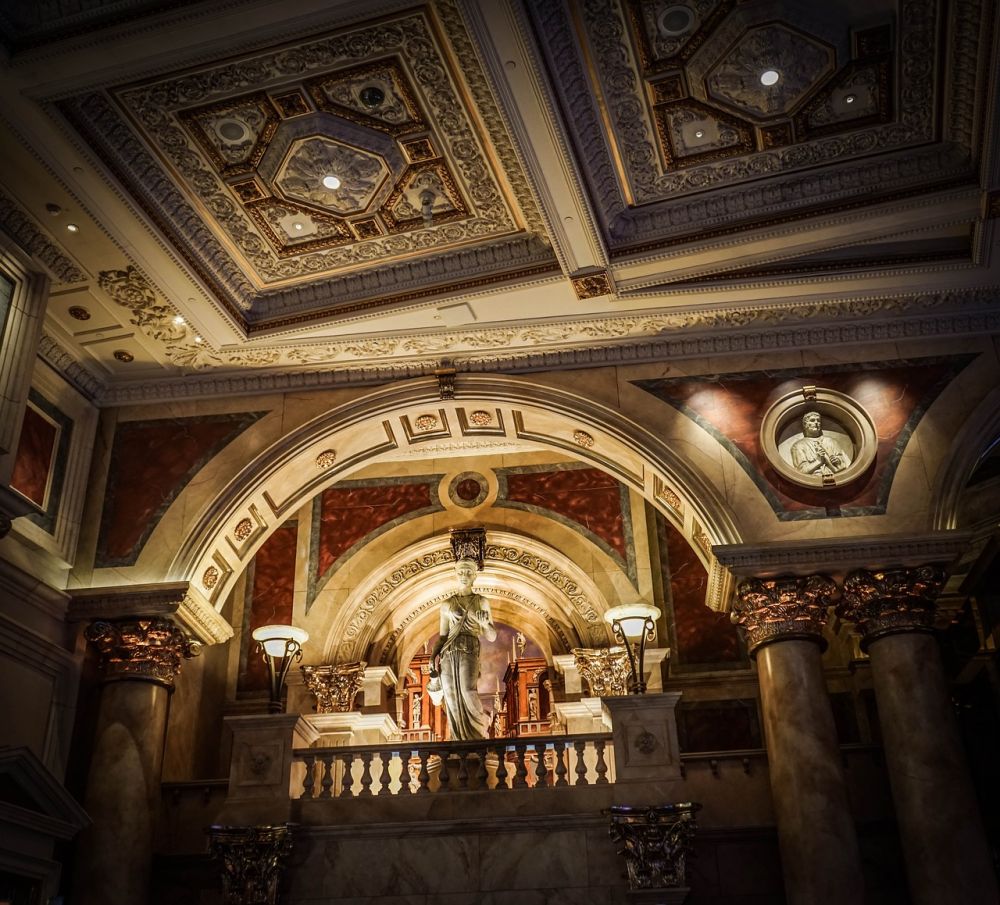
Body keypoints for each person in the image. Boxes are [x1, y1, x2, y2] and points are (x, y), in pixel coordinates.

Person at [430, 557, 496, 740]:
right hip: (449, 651)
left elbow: (491, 636)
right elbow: (443, 636)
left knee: (467, 691)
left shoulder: (481, 601)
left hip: (469, 648)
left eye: (468, 572)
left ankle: (478, 735)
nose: (464, 575)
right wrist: (433, 656)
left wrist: (485, 624)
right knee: (451, 695)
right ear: (456, 575)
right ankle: (457, 738)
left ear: (474, 576)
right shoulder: (447, 604)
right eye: (460, 572)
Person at [790, 411, 851, 476]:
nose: (816, 422)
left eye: (818, 421)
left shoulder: (831, 441)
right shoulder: (798, 446)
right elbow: (801, 471)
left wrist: (837, 461)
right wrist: (818, 461)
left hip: (837, 477)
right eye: (812, 420)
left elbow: (844, 464)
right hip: (813, 479)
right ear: (805, 424)